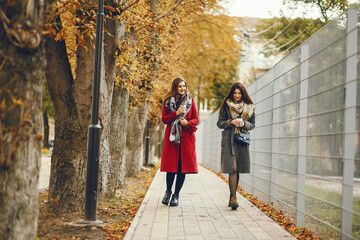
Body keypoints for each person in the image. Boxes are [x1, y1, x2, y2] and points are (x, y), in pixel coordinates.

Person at [160, 77, 199, 206]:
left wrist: (187, 122)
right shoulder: (167, 101)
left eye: (184, 86)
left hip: (186, 137)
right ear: (175, 88)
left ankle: (176, 195)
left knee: (182, 168)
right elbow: (165, 119)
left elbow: (196, 119)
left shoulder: (190, 101)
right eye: (180, 86)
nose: (183, 89)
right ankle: (168, 192)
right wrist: (176, 113)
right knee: (171, 167)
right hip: (172, 138)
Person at [217, 82, 255, 210]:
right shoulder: (226, 105)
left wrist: (243, 124)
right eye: (235, 93)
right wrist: (231, 122)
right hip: (229, 140)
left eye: (239, 93)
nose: (237, 95)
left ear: (243, 94)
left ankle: (232, 196)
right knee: (232, 168)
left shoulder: (249, 107)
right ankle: (234, 197)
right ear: (232, 93)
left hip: (241, 140)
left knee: (237, 169)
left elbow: (252, 125)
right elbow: (220, 123)